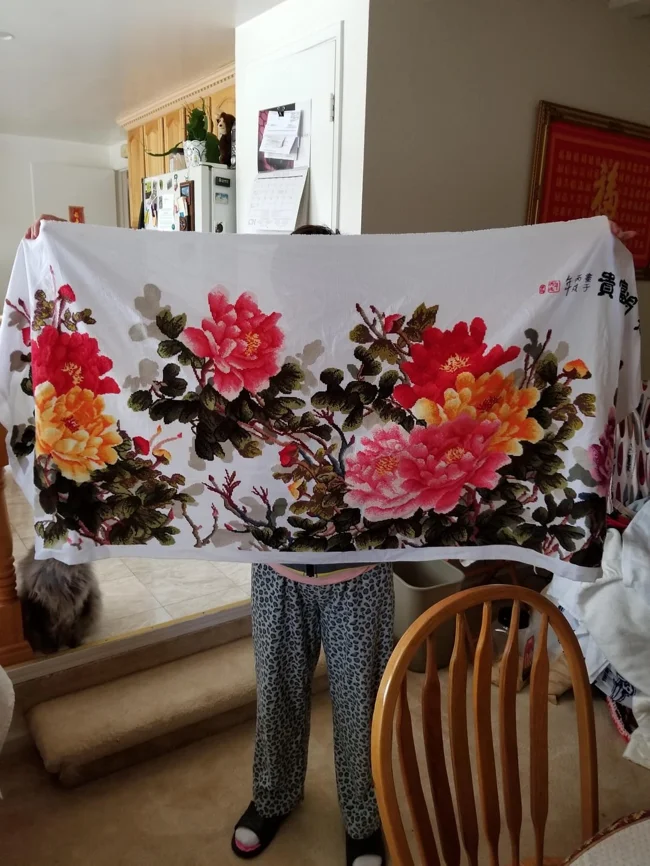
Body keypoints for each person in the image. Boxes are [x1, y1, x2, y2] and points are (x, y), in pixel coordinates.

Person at [232, 224, 389, 866]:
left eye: (321, 277)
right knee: (277, 694)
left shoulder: (375, 360)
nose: (307, 291)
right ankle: (273, 797)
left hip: (358, 571)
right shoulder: (259, 361)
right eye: (296, 279)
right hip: (278, 568)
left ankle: (365, 818)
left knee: (360, 705)